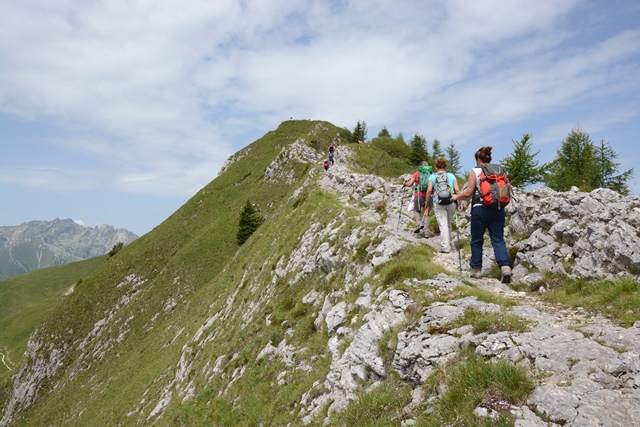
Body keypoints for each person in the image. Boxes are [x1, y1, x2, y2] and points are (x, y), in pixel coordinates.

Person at [452, 146, 512, 283]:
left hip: (480, 209)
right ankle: (505, 267)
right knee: (498, 239)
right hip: (498, 209)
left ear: (478, 159)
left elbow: (468, 193)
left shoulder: (476, 171)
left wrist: (456, 197)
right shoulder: (499, 170)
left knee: (477, 240)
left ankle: (476, 270)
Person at [426, 157, 460, 253]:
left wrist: (427, 203)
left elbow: (429, 191)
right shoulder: (451, 176)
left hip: (439, 203)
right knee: (448, 224)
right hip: (451, 202)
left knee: (443, 225)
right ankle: (448, 243)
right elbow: (457, 190)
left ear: (436, 167)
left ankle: (445, 247)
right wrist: (460, 202)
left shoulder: (432, 176)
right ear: (445, 167)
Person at [403, 161, 433, 236]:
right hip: (429, 196)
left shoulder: (417, 173)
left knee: (416, 210)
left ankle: (418, 224)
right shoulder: (431, 173)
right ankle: (426, 232)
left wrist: (405, 183)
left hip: (419, 195)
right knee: (426, 213)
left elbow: (410, 184)